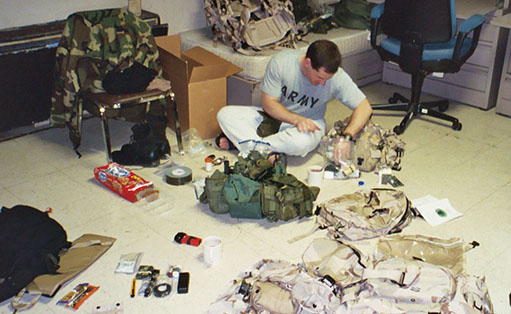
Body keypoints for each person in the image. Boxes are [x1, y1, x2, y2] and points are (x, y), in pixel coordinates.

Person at [216, 39, 372, 158]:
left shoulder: (337, 77)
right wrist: (296, 120)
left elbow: (365, 108)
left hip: (310, 125)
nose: (323, 83)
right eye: (319, 77)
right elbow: (268, 104)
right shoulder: (281, 62)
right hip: (274, 118)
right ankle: (266, 150)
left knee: (301, 143)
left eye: (327, 79)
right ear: (308, 63)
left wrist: (346, 137)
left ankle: (248, 145)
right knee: (224, 114)